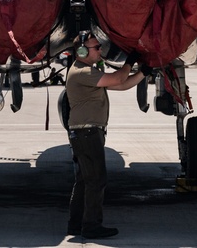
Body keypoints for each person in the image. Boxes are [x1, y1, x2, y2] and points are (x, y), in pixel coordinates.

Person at [65, 32, 146, 239]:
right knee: (96, 181)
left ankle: (76, 224)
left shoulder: (88, 72)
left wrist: (144, 72)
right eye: (97, 47)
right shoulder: (82, 72)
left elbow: (122, 84)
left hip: (86, 133)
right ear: (82, 51)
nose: (101, 50)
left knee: (84, 181)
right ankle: (91, 226)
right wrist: (130, 61)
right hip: (87, 133)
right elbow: (119, 77)